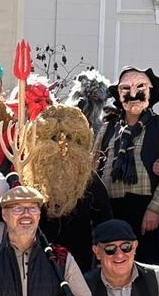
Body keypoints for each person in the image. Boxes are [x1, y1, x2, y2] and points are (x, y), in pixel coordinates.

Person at [94, 67, 159, 263]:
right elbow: (93, 168)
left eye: (140, 86)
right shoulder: (107, 129)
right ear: (119, 94)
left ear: (151, 91)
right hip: (110, 210)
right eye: (126, 88)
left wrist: (155, 209)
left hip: (146, 211)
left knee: (146, 266)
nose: (133, 93)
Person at [21, 104, 113, 271]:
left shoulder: (89, 180)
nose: (62, 146)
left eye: (69, 138)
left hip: (79, 265)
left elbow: (105, 221)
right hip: (37, 264)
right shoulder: (30, 180)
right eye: (54, 138)